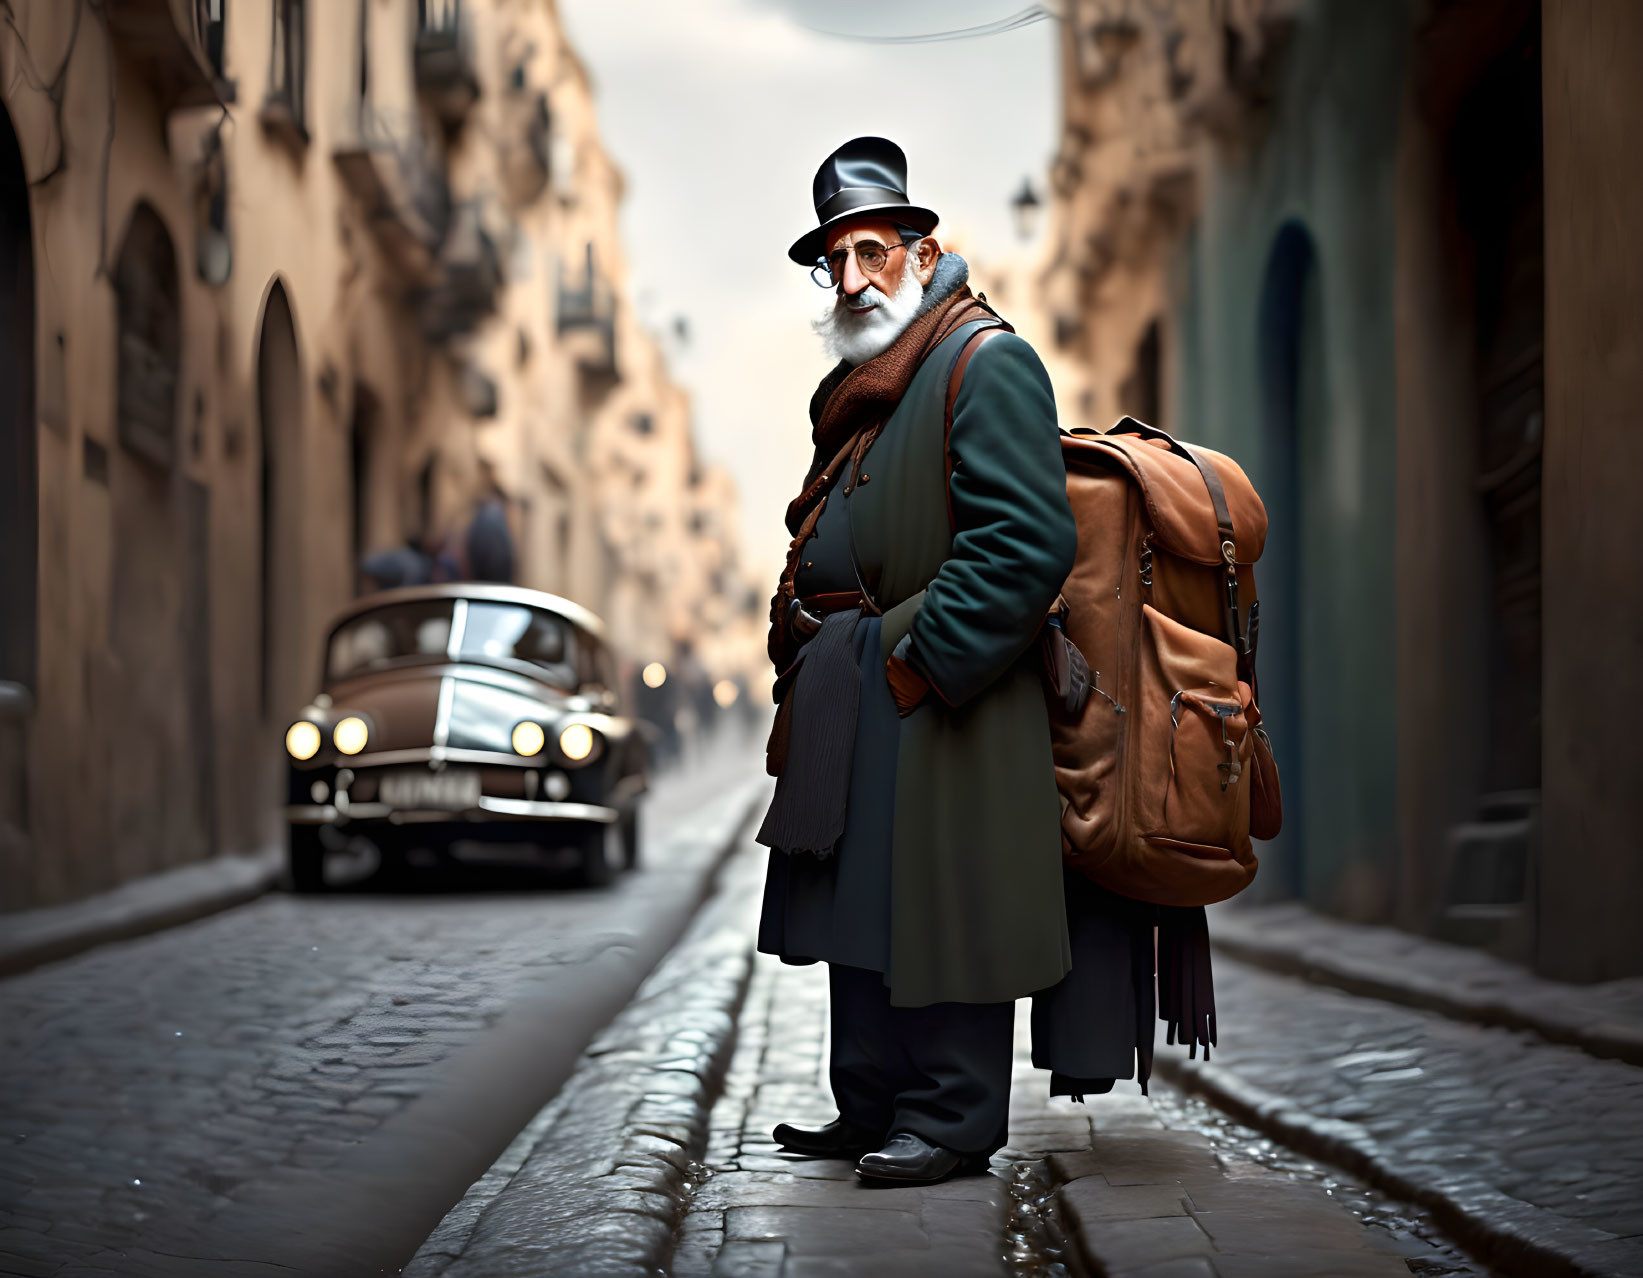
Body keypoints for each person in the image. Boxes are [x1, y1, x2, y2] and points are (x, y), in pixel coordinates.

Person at [758, 137, 1167, 1187]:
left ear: (920, 249)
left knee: (941, 909)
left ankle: (950, 1116)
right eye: (832, 260)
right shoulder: (865, 385)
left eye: (869, 253)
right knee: (858, 905)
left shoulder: (985, 361)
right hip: (854, 685)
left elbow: (1023, 544)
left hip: (939, 698)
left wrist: (916, 665)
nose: (850, 278)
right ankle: (871, 1104)